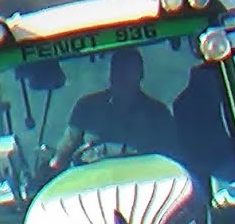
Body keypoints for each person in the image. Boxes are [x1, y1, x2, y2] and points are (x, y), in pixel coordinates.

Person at [47, 48, 177, 171]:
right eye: (118, 70)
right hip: (90, 182)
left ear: (141, 74)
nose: (123, 76)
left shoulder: (157, 113)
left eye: (129, 71)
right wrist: (50, 171)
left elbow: (173, 158)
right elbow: (63, 155)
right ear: (111, 74)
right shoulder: (87, 107)